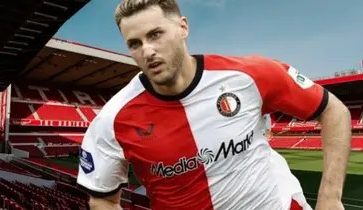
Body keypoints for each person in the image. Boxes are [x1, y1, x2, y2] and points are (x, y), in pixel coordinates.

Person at [76, 0, 351, 209]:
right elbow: (103, 201)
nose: (147, 50)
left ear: (183, 27)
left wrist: (329, 197)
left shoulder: (249, 75)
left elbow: (334, 110)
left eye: (155, 34)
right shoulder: (111, 121)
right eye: (134, 43)